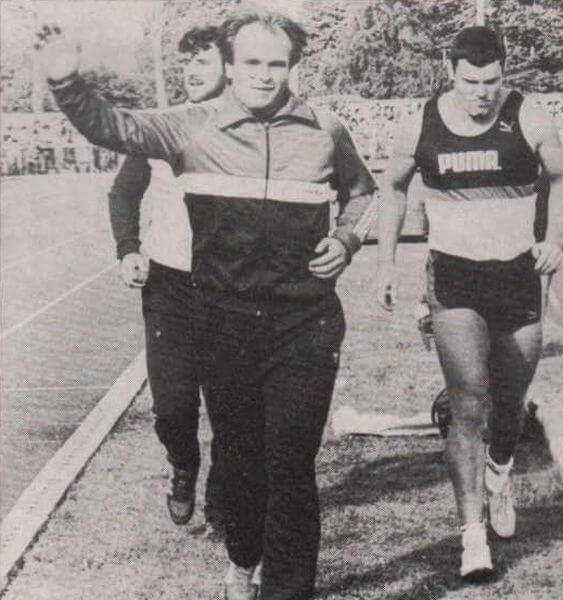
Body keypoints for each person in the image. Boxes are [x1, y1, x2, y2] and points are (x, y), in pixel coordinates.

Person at [37, 9, 376, 600]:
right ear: (230, 65)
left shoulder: (326, 127)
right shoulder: (191, 127)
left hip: (305, 324)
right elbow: (112, 127)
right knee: (241, 468)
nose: (265, 77)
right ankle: (242, 561)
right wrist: (68, 82)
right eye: (252, 64)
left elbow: (364, 192)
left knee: (292, 466)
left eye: (278, 64)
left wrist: (345, 239)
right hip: (224, 324)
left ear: (294, 66)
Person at [376, 27, 563, 580]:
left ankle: (501, 468)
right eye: (471, 82)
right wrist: (388, 262)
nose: (483, 93)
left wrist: (555, 239)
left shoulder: (528, 114)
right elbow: (391, 186)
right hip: (456, 278)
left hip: (515, 277)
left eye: (493, 81)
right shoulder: (421, 120)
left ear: (504, 74)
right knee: (469, 402)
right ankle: (472, 536)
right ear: (451, 71)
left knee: (510, 403)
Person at [108, 26, 227, 531]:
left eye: (205, 61)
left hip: (230, 289)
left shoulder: (245, 129)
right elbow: (122, 194)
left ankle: (226, 497)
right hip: (170, 288)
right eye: (188, 63)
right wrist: (129, 249)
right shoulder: (160, 129)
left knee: (233, 407)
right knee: (174, 406)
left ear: (231, 66)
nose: (192, 72)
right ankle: (183, 466)